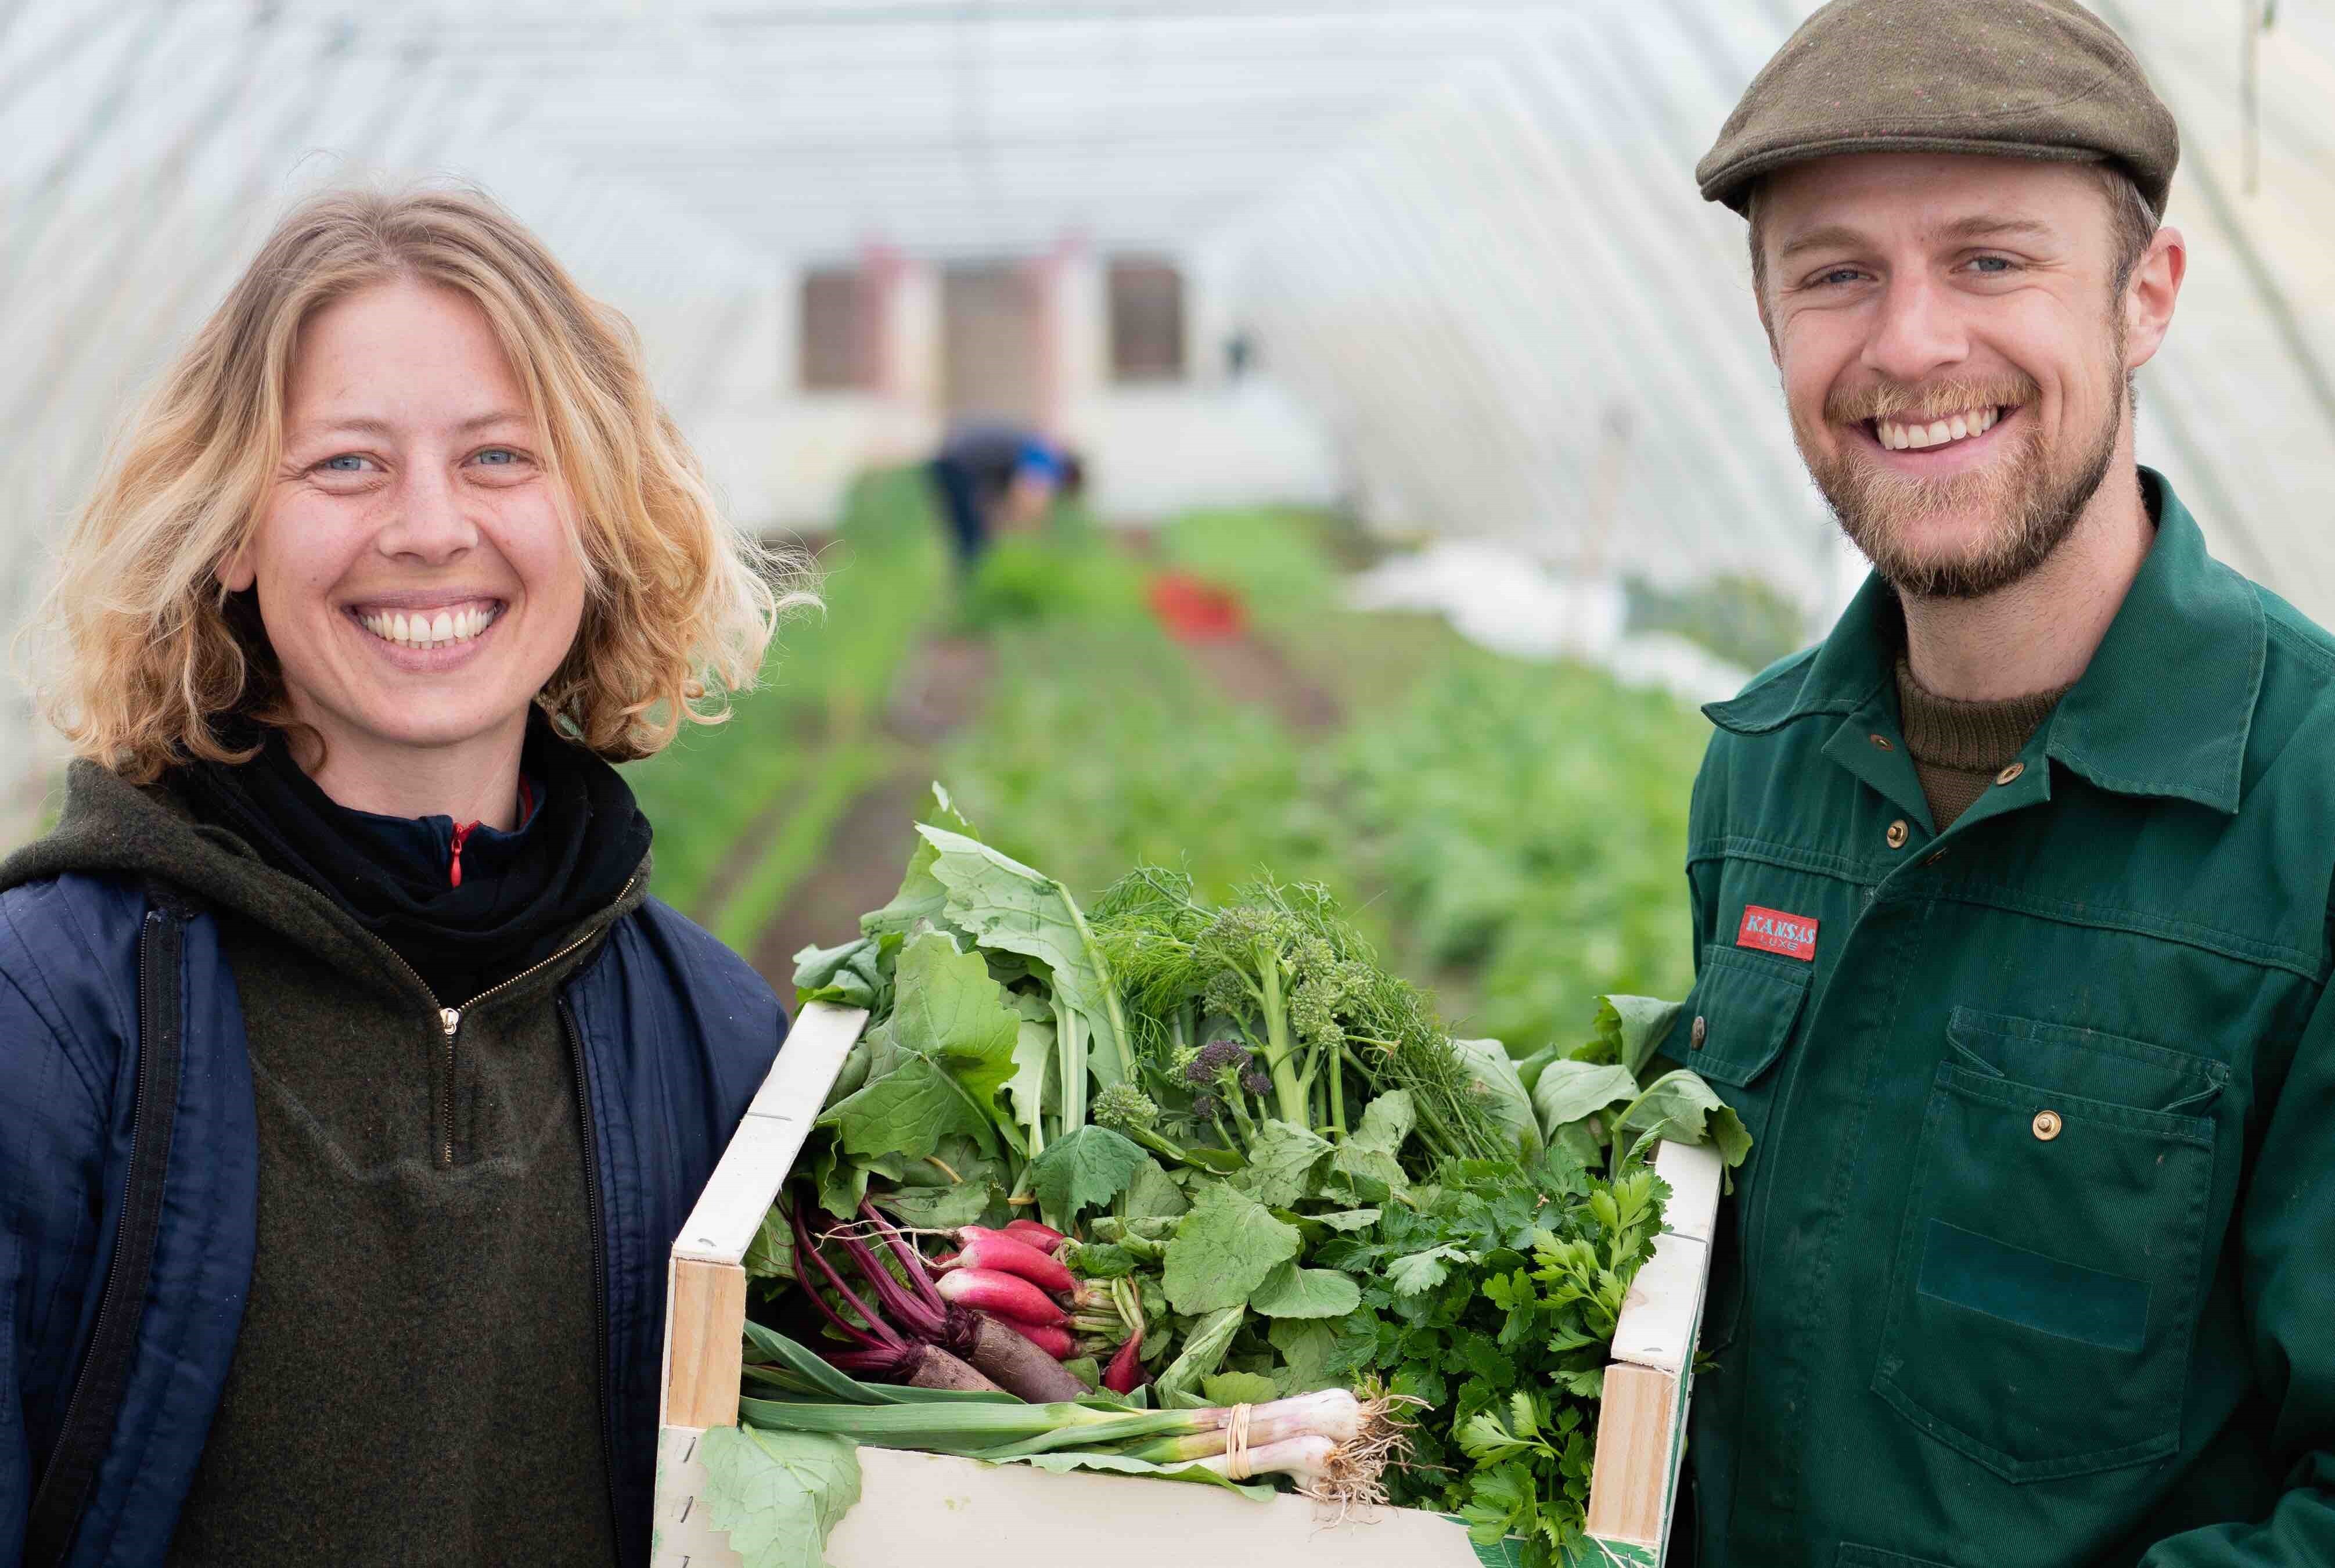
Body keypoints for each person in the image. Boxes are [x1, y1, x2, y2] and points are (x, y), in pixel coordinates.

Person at [0, 185, 807, 1567]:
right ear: (232, 533)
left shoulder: (719, 1043)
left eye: (499, 456)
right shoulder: (52, 1019)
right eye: (346, 465)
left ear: (597, 516)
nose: (429, 526)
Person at [1679, 1, 2335, 1562]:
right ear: (1771, 322)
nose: (1906, 344)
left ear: (2143, 297)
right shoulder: (1762, 767)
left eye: (1989, 258)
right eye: (1834, 272)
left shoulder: (2306, 815)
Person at [926, 420, 1084, 572]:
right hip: (956, 461)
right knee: (972, 536)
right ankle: (973, 580)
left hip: (958, 460)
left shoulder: (1042, 452)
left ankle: (971, 575)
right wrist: (1034, 531)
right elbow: (1026, 494)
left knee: (975, 533)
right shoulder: (1046, 458)